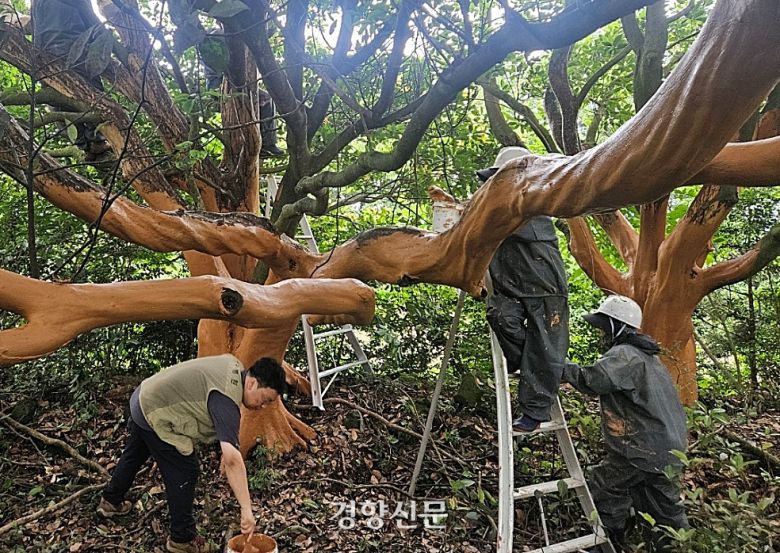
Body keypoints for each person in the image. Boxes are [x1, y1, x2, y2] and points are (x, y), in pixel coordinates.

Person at [98, 354, 287, 553]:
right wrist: (246, 510)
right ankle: (182, 539)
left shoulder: (234, 365)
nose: (263, 406)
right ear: (252, 383)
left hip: (144, 396)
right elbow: (231, 459)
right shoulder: (226, 400)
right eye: (265, 399)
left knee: (136, 452)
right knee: (185, 470)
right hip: (154, 410)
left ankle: (110, 500)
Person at [562, 295, 688, 552]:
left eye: (603, 327)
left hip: (642, 449)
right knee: (664, 510)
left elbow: (593, 380)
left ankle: (607, 544)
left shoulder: (625, 355)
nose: (601, 334)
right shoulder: (649, 358)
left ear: (616, 327)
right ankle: (678, 547)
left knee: (604, 485)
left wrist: (558, 367)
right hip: (669, 451)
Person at [478, 146, 569, 433]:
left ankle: (534, 411)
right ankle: (545, 368)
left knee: (545, 345)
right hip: (509, 288)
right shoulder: (494, 206)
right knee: (500, 317)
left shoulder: (533, 204)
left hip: (545, 288)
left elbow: (503, 224)